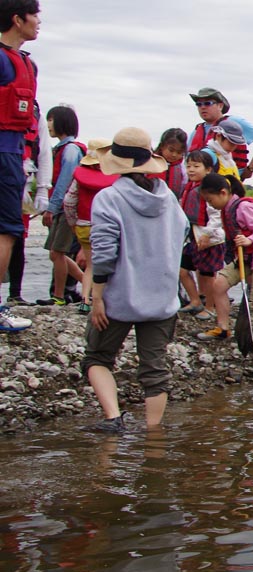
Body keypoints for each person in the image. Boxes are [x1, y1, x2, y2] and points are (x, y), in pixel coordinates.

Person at [81, 127, 188, 432]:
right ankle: (153, 435)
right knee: (155, 370)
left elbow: (103, 255)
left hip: (119, 297)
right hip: (162, 299)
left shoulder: (109, 198)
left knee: (97, 357)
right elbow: (181, 236)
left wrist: (96, 298)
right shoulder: (167, 198)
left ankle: (114, 419)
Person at [198, 173, 253, 358]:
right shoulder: (226, 209)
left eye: (210, 199)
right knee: (218, 285)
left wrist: (248, 240)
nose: (210, 204)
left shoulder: (244, 207)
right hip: (243, 259)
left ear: (223, 193)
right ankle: (223, 328)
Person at [0, 0, 40, 330]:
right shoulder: (4, 60)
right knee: (6, 229)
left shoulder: (27, 62)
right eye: (35, 15)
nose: (38, 21)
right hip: (5, 151)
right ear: (18, 19)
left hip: (13, 150)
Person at [39, 105, 87, 306]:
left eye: (50, 120)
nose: (47, 124)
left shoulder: (69, 150)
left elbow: (64, 181)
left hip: (66, 209)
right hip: (64, 208)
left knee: (57, 253)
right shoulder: (64, 149)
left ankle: (58, 296)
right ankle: (86, 286)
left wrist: (51, 207)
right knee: (57, 253)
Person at [63, 138, 117, 313]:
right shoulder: (113, 179)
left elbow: (69, 202)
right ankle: (102, 299)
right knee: (107, 264)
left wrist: (73, 224)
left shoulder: (80, 178)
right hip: (105, 227)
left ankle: (85, 300)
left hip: (83, 227)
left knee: (91, 266)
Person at [185, 88, 253, 181]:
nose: (203, 107)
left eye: (207, 103)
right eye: (199, 104)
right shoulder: (196, 131)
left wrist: (250, 168)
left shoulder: (234, 123)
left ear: (220, 106)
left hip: (229, 180)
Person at [177, 149, 223, 319]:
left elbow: (217, 215)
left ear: (208, 169)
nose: (191, 170)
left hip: (210, 239)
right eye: (188, 166)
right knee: (181, 270)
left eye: (196, 166)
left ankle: (210, 307)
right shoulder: (189, 187)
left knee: (207, 275)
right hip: (194, 237)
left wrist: (207, 235)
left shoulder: (209, 189)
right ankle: (195, 300)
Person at [153, 128, 188, 198]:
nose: (174, 155)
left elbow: (184, 184)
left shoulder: (182, 167)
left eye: (179, 152)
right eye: (171, 150)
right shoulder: (151, 162)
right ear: (162, 146)